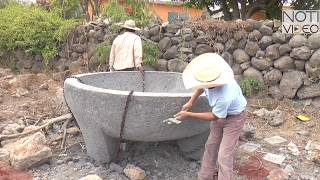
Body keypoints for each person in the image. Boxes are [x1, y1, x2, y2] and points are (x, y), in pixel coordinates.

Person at [175, 53, 247, 180]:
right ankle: (204, 176)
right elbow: (202, 87)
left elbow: (214, 116)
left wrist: (188, 114)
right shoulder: (210, 80)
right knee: (211, 145)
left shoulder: (226, 94)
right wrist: (191, 102)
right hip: (220, 116)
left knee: (224, 155)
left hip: (234, 119)